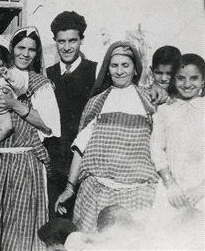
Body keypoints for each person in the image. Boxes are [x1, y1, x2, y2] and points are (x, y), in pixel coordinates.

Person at [0, 26, 60, 251]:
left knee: (19, 228)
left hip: (23, 163)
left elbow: (49, 126)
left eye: (32, 49)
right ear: (11, 49)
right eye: (20, 47)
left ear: (38, 54)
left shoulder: (39, 83)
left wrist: (15, 105)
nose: (25, 54)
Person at [54, 41, 160, 232]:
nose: (119, 71)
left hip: (139, 194)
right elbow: (80, 146)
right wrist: (70, 187)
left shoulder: (149, 102)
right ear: (107, 69)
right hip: (97, 193)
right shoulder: (98, 102)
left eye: (125, 65)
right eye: (114, 65)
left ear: (135, 69)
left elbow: (161, 147)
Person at [44, 11, 97, 220]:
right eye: (61, 41)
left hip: (83, 163)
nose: (66, 47)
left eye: (72, 41)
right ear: (55, 41)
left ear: (81, 40)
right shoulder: (46, 74)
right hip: (53, 164)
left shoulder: (95, 71)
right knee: (54, 224)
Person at [150, 53, 204, 213]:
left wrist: (202, 189)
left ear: (203, 80)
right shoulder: (165, 110)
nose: (187, 84)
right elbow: (157, 150)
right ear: (174, 79)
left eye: (194, 78)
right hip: (172, 189)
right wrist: (170, 184)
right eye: (181, 78)